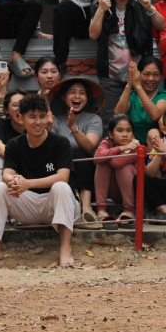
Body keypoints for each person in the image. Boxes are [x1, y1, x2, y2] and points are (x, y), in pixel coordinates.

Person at [0, 94, 79, 267]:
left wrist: (28, 183)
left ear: (48, 116)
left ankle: (65, 249)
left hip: (57, 204)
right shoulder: (14, 144)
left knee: (61, 186)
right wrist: (14, 180)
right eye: (32, 117)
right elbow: (7, 173)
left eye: (42, 116)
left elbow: (63, 177)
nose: (38, 122)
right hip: (27, 203)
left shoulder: (61, 142)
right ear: (21, 118)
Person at [89, 0, 165, 128]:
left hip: (140, 77)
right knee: (110, 122)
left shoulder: (141, 4)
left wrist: (150, 8)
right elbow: (93, 34)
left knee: (143, 120)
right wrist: (101, 10)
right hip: (111, 77)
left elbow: (161, 25)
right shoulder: (100, 4)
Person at [47, 77, 104, 224]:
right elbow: (50, 148)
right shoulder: (56, 120)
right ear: (64, 97)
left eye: (82, 93)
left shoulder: (94, 119)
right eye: (72, 92)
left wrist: (73, 128)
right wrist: (47, 127)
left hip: (86, 167)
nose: (77, 96)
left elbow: (90, 146)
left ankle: (86, 207)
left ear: (88, 98)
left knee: (79, 152)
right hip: (59, 168)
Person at [114, 56, 166, 144]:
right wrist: (129, 85)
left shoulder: (165, 95)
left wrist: (138, 86)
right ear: (138, 74)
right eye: (146, 74)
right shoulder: (131, 95)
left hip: (155, 147)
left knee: (154, 133)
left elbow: (154, 115)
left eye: (156, 74)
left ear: (160, 76)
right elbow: (118, 115)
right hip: (131, 145)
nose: (151, 79)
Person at [94, 114, 138, 228]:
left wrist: (107, 155)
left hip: (134, 193)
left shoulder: (135, 146)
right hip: (114, 191)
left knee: (121, 166)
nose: (125, 134)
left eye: (128, 131)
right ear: (110, 134)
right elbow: (97, 158)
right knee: (101, 165)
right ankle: (101, 210)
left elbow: (116, 163)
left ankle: (129, 210)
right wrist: (122, 148)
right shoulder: (107, 141)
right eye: (120, 130)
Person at [0, 90, 27, 184]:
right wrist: (21, 158)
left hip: (30, 168)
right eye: (15, 105)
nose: (20, 108)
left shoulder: (35, 125)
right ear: (7, 110)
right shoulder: (0, 125)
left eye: (23, 104)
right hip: (11, 163)